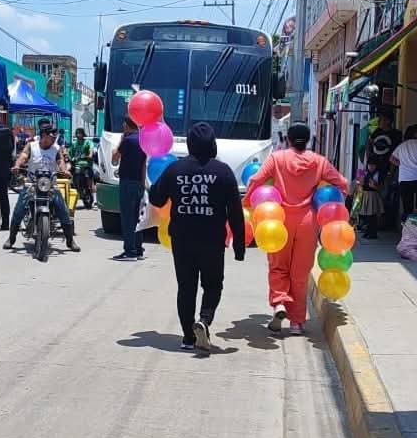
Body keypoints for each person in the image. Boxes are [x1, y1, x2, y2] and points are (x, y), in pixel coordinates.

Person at [244, 122, 348, 336]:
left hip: (279, 221)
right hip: (308, 222)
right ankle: (296, 323)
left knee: (278, 266)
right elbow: (342, 183)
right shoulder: (319, 162)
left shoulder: (277, 158)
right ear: (308, 140)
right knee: (300, 274)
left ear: (288, 139)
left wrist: (246, 201)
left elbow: (256, 179)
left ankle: (279, 303)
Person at [149, 122, 245, 352]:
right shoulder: (223, 171)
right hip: (212, 241)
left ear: (190, 144)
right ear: (212, 144)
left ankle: (187, 338)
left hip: (182, 240)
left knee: (186, 287)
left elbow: (157, 199)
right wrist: (239, 246)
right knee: (213, 285)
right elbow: (235, 212)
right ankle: (204, 319)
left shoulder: (175, 169)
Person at [3, 124, 80, 252]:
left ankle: (70, 241)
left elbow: (60, 161)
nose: (54, 137)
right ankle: (11, 238)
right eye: (51, 135)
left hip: (50, 185)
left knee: (64, 211)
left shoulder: (56, 148)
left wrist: (65, 170)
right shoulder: (31, 146)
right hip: (32, 183)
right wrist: (17, 165)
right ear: (44, 135)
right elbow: (23, 156)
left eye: (55, 135)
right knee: (19, 211)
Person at [111, 116, 147, 261]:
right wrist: (143, 184)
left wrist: (120, 140)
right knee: (137, 217)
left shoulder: (127, 140)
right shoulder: (143, 140)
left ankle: (129, 251)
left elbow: (114, 158)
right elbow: (144, 164)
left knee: (127, 218)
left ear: (126, 125)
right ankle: (138, 249)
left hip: (127, 182)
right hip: (139, 182)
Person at [390, 123, 417, 218]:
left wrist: (402, 164)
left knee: (407, 208)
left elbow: (392, 159)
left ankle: (408, 230)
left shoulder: (402, 146)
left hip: (404, 180)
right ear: (416, 133)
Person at [358, 159, 383, 239]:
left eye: (373, 165)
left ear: (376, 166)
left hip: (373, 195)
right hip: (365, 194)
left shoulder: (378, 174)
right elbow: (360, 184)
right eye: (369, 165)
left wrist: (374, 186)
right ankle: (368, 232)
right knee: (366, 215)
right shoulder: (364, 172)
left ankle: (373, 233)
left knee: (373, 216)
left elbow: (381, 187)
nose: (371, 167)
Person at [68, 127, 94, 202]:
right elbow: (69, 153)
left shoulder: (88, 142)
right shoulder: (74, 144)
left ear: (83, 134)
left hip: (87, 165)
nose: (79, 135)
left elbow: (91, 151)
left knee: (90, 176)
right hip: (77, 165)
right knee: (72, 178)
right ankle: (77, 191)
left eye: (80, 133)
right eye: (77, 133)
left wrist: (89, 155)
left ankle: (91, 193)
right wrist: (70, 157)